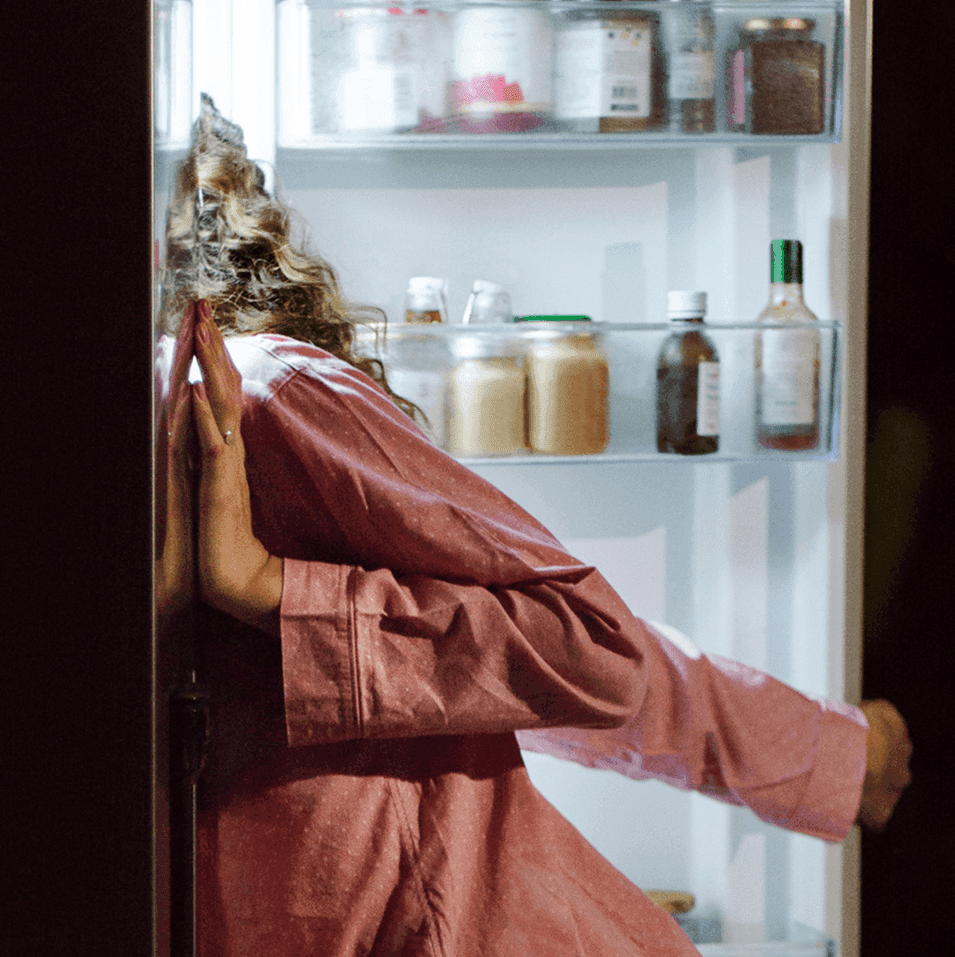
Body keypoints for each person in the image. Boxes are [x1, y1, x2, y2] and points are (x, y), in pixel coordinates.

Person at [161, 98, 911, 957]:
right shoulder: (238, 400)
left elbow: (554, 654)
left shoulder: (236, 397)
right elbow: (546, 655)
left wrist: (814, 754)